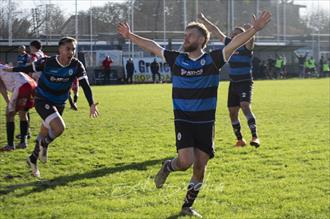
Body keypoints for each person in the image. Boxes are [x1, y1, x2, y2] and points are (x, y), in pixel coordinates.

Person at [117, 10, 271, 217]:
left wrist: (254, 29)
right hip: (184, 119)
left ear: (201, 39)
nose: (185, 38)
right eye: (185, 34)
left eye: (190, 35)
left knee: (200, 167)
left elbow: (234, 44)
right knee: (185, 162)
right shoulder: (177, 59)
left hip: (206, 122)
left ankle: (186, 207)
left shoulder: (213, 60)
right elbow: (153, 46)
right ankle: (168, 167)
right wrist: (130, 36)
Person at [4, 37, 99, 177]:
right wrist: (12, 69)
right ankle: (45, 145)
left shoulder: (77, 65)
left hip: (60, 103)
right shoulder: (47, 62)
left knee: (43, 133)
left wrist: (91, 103)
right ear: (60, 49)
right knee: (59, 128)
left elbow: (85, 85)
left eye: (73, 49)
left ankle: (32, 159)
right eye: (68, 49)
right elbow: (28, 68)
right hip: (42, 99)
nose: (71, 52)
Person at [199, 13, 261, 148]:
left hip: (245, 82)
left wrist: (253, 29)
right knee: (232, 112)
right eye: (233, 33)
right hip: (233, 83)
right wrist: (203, 20)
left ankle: (255, 136)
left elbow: (251, 41)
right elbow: (215, 30)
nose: (233, 35)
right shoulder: (229, 44)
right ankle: (240, 140)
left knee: (245, 106)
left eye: (237, 34)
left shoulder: (246, 47)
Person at [0, 64, 37, 151]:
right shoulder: (2, 66)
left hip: (22, 86)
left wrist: (9, 103)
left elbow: (2, 88)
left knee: (9, 115)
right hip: (32, 84)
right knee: (23, 114)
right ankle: (23, 142)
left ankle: (10, 145)